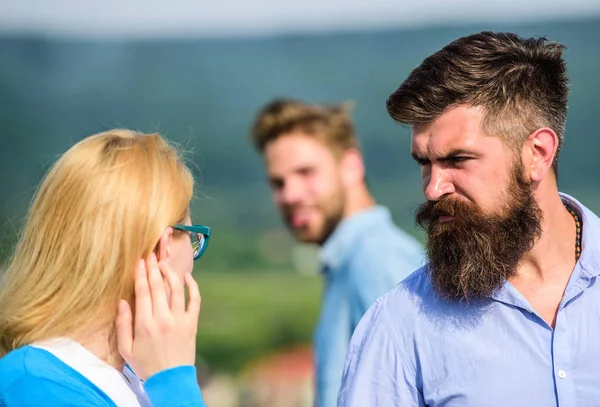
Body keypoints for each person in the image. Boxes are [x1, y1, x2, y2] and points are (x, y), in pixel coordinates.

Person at [337, 31, 600, 406]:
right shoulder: (399, 326)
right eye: (424, 163)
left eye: (457, 160)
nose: (433, 188)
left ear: (538, 153)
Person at [0, 129, 211, 407]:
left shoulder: (123, 379)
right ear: (165, 246)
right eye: (194, 239)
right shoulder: (33, 388)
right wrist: (176, 385)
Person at [250, 99, 424, 407]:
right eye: (278, 183)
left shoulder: (378, 258)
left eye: (306, 172)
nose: (289, 195)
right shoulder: (348, 262)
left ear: (351, 166)